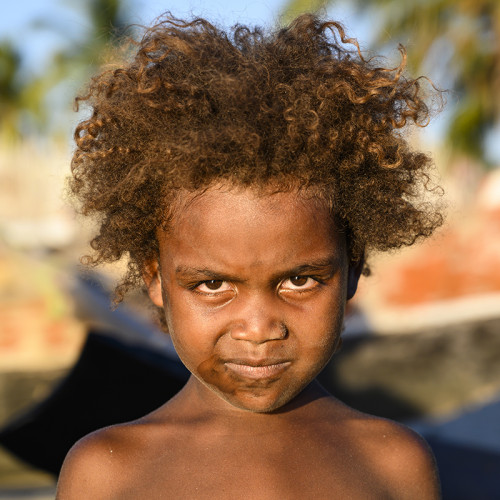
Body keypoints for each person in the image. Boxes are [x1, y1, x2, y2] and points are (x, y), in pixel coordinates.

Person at [56, 13, 443, 499]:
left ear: (351, 268)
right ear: (155, 276)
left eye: (299, 280)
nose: (258, 329)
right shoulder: (107, 472)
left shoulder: (393, 462)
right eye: (213, 285)